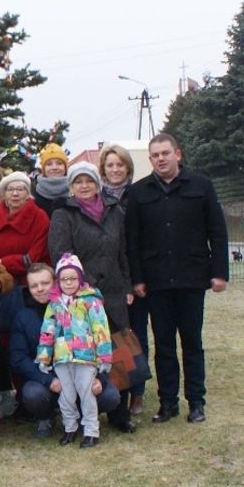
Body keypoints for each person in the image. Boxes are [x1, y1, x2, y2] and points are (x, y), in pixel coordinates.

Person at [126, 133, 229, 424]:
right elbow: (133, 240)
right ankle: (167, 403)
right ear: (150, 159)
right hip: (156, 281)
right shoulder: (139, 192)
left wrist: (219, 272)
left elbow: (217, 231)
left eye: (165, 153)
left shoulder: (201, 185)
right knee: (164, 345)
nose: (161, 159)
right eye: (155, 155)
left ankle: (196, 402)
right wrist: (137, 278)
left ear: (178, 154)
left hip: (192, 277)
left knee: (192, 343)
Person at [48, 161, 136, 432]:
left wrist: (128, 286)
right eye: (78, 181)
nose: (84, 186)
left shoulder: (114, 211)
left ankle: (120, 413)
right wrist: (79, 288)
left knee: (119, 350)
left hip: (114, 292)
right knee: (85, 353)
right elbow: (61, 255)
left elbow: (123, 253)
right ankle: (80, 414)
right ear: (71, 187)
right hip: (81, 297)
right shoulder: (63, 214)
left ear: (97, 184)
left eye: (89, 180)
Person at [10, 263, 122, 439]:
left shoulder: (82, 307)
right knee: (33, 394)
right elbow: (18, 359)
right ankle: (46, 417)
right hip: (47, 380)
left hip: (82, 371)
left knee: (110, 396)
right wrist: (48, 380)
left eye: (44, 283)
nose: (40, 289)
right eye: (34, 285)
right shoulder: (23, 316)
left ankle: (84, 417)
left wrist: (99, 378)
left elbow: (100, 343)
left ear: (56, 282)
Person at [35, 254, 113, 448]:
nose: (68, 283)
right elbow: (47, 332)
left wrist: (104, 356)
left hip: (85, 358)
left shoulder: (90, 301)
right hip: (62, 358)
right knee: (66, 396)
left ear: (80, 278)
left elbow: (101, 329)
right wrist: (44, 357)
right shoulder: (54, 303)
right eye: (64, 279)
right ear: (58, 281)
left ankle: (91, 431)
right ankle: (69, 427)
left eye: (73, 278)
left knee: (87, 394)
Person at [99, 144, 147, 414]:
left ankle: (137, 391)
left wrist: (134, 280)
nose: (115, 170)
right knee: (112, 337)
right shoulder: (97, 197)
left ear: (128, 168)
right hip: (109, 278)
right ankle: (116, 387)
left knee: (135, 335)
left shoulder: (137, 195)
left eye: (120, 165)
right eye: (110, 165)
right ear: (103, 169)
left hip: (134, 273)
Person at [0, 172, 50, 290]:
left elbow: (35, 256)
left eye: (20, 189)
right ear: (4, 194)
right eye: (10, 189)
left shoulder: (40, 217)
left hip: (33, 283)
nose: (15, 193)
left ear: (28, 194)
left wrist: (2, 262)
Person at [33, 143, 70, 215]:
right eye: (49, 164)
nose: (54, 167)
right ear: (43, 168)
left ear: (65, 167)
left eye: (59, 163)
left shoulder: (76, 191)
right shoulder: (34, 195)